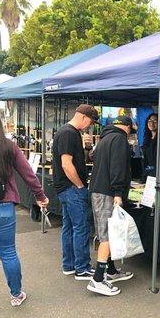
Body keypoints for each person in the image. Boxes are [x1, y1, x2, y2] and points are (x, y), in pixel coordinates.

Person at [0, 111, 49, 306]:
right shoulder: (9, 148)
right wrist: (40, 196)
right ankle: (16, 294)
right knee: (8, 253)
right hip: (4, 206)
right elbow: (29, 175)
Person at [87, 115, 135, 296]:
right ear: (127, 128)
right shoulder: (120, 140)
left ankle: (111, 271)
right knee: (106, 235)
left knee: (107, 232)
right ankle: (98, 279)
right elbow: (118, 167)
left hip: (98, 190)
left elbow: (94, 159)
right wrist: (118, 193)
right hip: (108, 192)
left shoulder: (104, 138)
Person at [52, 104, 99, 280]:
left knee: (69, 227)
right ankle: (82, 267)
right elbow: (66, 164)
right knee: (81, 227)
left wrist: (87, 149)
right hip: (71, 188)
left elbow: (73, 161)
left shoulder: (68, 132)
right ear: (83, 117)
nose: (89, 126)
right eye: (90, 122)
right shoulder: (69, 133)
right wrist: (79, 185)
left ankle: (70, 265)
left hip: (65, 188)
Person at [142, 113, 158, 178]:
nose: (152, 123)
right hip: (148, 173)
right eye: (150, 121)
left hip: (158, 173)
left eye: (155, 121)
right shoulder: (147, 138)